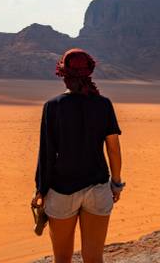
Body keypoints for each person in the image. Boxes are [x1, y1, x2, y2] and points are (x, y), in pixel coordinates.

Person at [32, 48, 124, 263]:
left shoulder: (53, 106)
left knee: (62, 259)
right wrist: (116, 184)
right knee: (94, 258)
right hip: (98, 188)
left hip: (62, 191)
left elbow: (47, 153)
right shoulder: (103, 105)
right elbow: (113, 148)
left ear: (63, 73)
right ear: (89, 72)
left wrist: (41, 190)